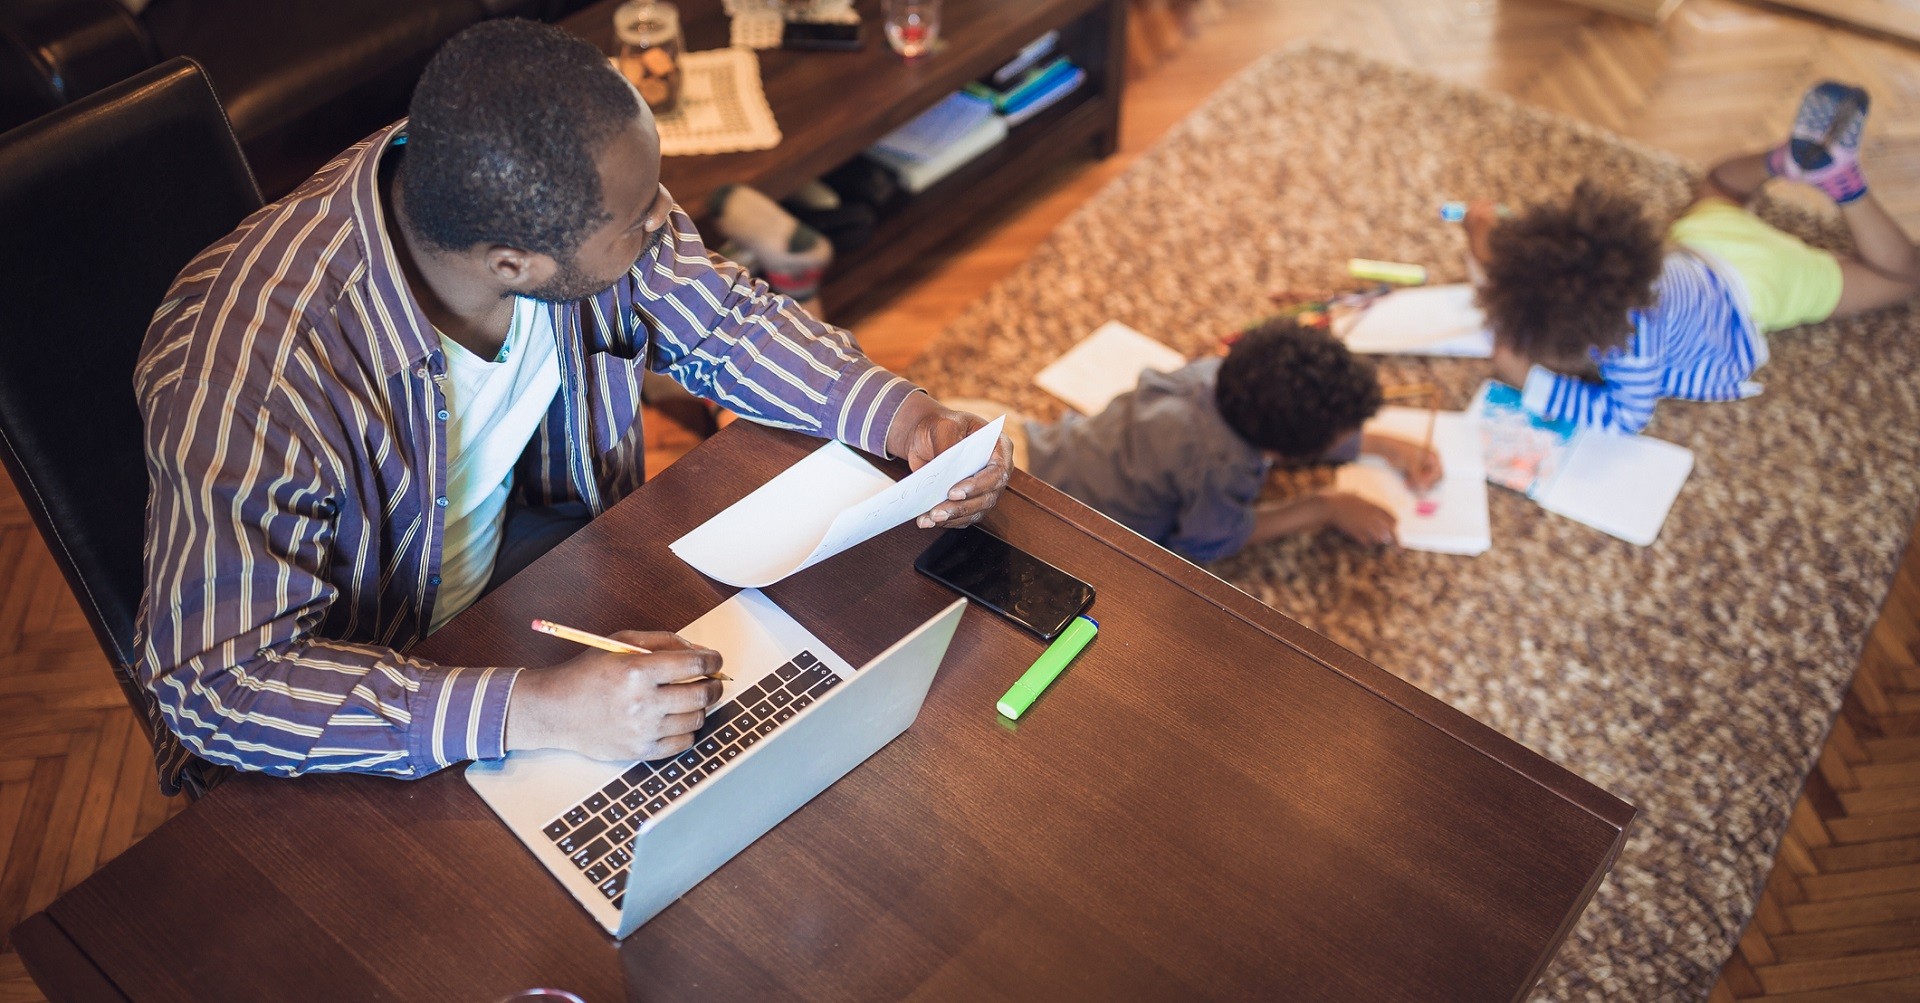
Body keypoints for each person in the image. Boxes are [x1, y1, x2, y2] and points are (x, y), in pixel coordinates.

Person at [132, 20, 1010, 794]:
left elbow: (727, 323)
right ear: (513, 264)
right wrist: (542, 707)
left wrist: (904, 418)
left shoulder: (523, 185)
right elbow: (216, 685)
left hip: (543, 581)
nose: (663, 222)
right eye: (634, 223)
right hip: (374, 701)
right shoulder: (254, 364)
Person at [1468, 80, 1920, 435]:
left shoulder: (1630, 348)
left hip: (1758, 284)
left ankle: (1842, 183)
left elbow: (1626, 416)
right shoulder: (1591, 268)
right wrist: (1481, 231)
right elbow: (1510, 261)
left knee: (1900, 277)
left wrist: (1531, 379)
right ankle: (1786, 162)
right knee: (1720, 185)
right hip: (1704, 241)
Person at [996, 318, 1440, 563]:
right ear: (1281, 452)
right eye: (1342, 436)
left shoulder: (1213, 374)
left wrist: (1377, 444)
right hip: (1038, 509)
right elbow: (1210, 541)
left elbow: (1283, 422)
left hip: (1027, 440)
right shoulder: (1223, 467)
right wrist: (1324, 506)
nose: (1351, 438)